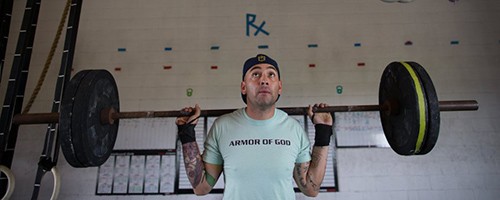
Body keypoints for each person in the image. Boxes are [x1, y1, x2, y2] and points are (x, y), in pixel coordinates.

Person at [176, 54, 333, 200]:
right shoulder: (222, 127)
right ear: (243, 87)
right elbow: (201, 187)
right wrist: (186, 133)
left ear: (279, 87)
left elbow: (310, 189)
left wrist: (323, 132)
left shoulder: (294, 128)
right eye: (255, 74)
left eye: (271, 74)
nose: (264, 80)